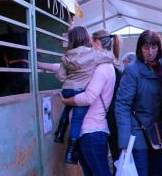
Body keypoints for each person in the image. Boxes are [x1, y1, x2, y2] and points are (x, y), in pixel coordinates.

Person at [60, 29, 121, 176]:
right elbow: (74, 70)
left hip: (92, 131)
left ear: (95, 44)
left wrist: (66, 99)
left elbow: (88, 97)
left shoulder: (102, 68)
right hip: (87, 132)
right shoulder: (99, 66)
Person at [40, 26, 114, 164]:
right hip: (80, 91)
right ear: (87, 38)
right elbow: (109, 57)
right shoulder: (92, 54)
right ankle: (70, 152)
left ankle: (60, 134)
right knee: (76, 121)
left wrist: (70, 76)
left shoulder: (66, 56)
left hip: (67, 89)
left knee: (67, 109)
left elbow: (61, 76)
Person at [115, 30, 162, 176]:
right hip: (136, 132)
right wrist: (123, 140)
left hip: (157, 131)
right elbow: (122, 105)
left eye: (154, 46)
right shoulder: (132, 71)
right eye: (146, 47)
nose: (150, 51)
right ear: (139, 49)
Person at [91, 30, 124, 170]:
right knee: (118, 157)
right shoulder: (116, 68)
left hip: (107, 119)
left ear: (97, 43)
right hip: (115, 119)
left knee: (107, 160)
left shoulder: (102, 68)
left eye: (91, 44)